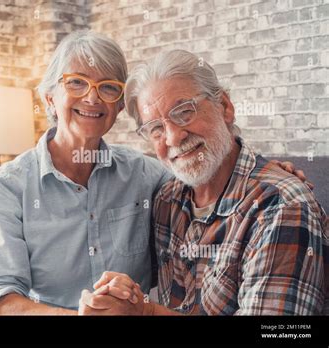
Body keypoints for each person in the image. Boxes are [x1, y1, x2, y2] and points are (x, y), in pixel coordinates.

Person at [0, 31, 311, 315]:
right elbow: (2, 298)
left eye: (108, 88)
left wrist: (272, 172)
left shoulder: (151, 177)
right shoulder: (7, 186)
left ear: (119, 107)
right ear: (50, 98)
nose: (92, 98)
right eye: (76, 83)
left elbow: (214, 171)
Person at [79, 49, 328, 315]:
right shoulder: (167, 198)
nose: (173, 137)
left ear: (225, 106)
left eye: (184, 112)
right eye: (156, 128)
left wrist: (146, 313)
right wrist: (116, 296)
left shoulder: (280, 208)